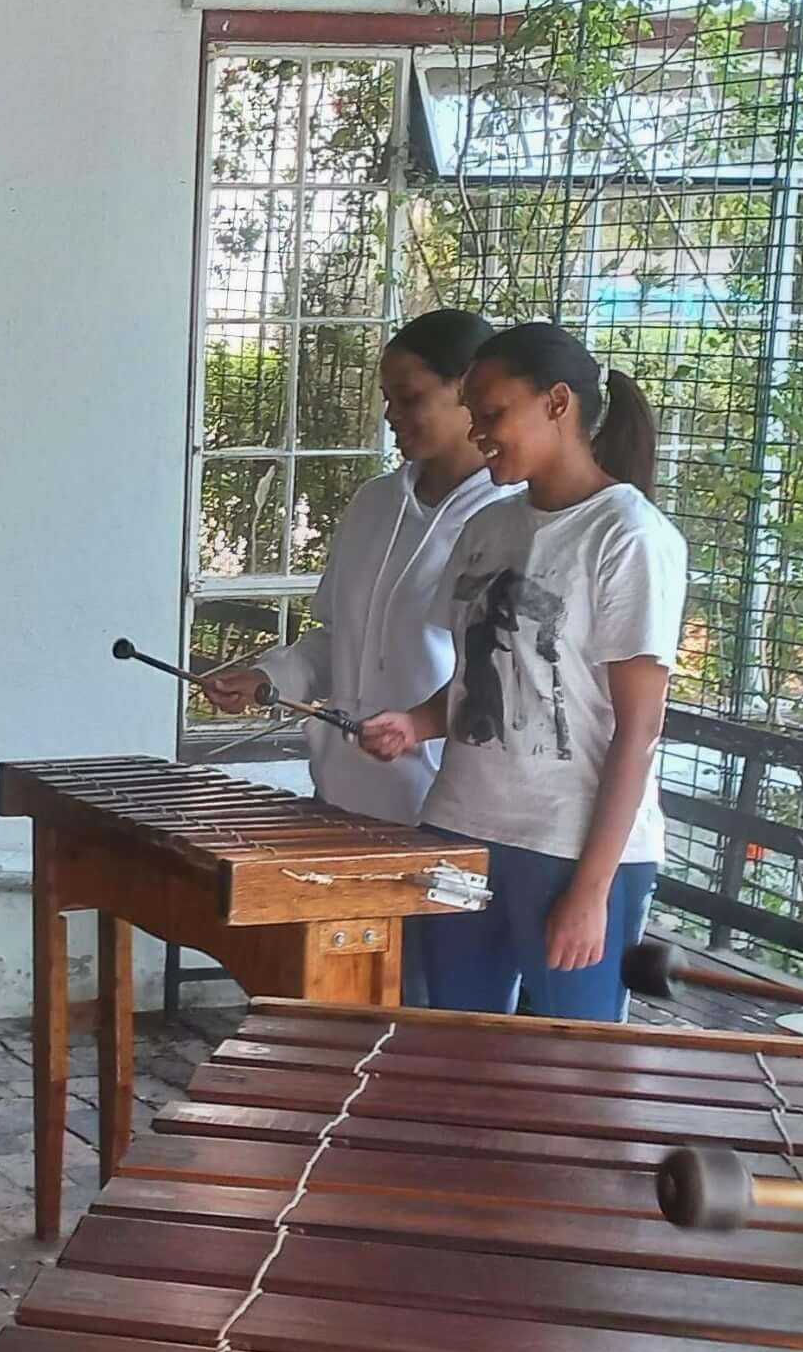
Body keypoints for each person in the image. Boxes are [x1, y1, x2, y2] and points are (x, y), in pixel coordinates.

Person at [355, 322, 683, 1018]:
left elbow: (639, 730)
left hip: (569, 847)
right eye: (473, 415)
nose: (478, 434)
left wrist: (590, 891)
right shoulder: (488, 527)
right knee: (456, 1047)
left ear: (557, 403)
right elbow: (481, 682)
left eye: (493, 414)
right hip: (459, 826)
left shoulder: (628, 535)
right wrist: (414, 723)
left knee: (571, 1062)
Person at [208, 309, 517, 827]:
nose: (391, 415)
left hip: (444, 810)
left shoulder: (507, 521)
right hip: (340, 796)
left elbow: (502, 678)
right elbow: (340, 640)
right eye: (387, 398)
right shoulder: (374, 503)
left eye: (409, 398)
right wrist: (269, 678)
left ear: (469, 391)